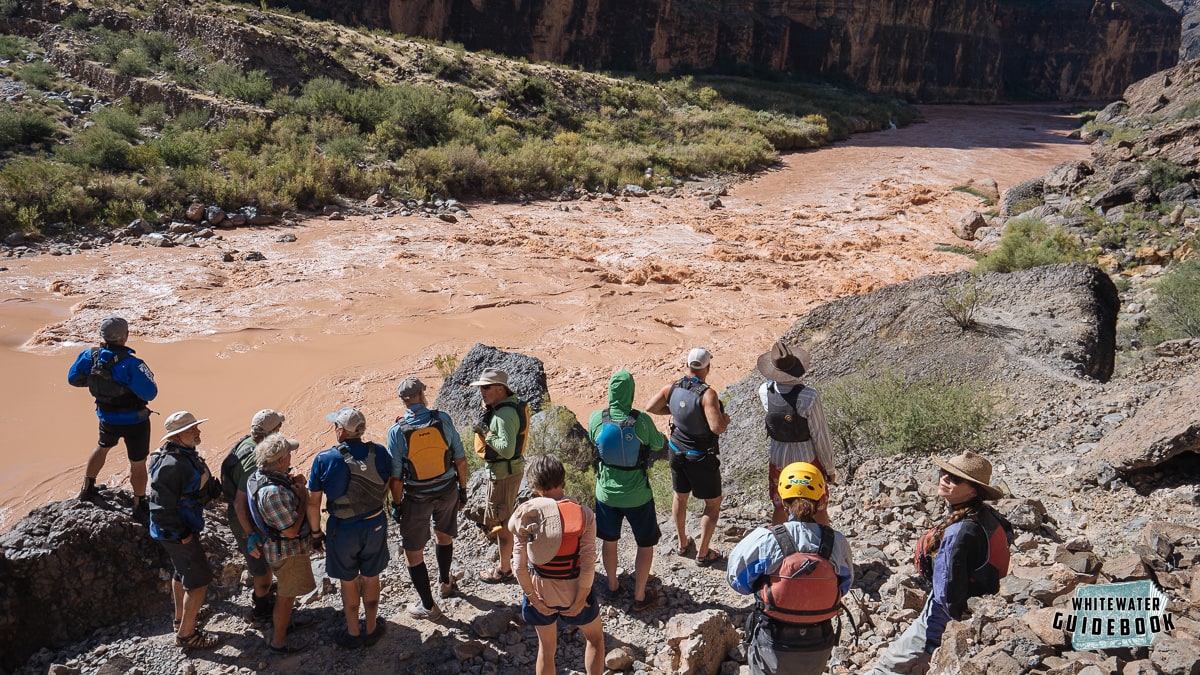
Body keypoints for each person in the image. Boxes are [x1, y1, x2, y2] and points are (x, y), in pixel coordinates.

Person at [867, 451, 1013, 675]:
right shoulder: (986, 516)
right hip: (978, 609)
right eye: (944, 473)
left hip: (944, 618)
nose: (944, 478)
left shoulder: (958, 533)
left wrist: (931, 648)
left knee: (885, 669)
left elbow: (947, 596)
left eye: (955, 478)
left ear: (973, 490)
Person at [727, 462, 854, 675]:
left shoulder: (766, 538)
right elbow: (845, 584)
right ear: (822, 500)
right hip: (819, 641)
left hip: (773, 639)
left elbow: (737, 581)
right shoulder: (836, 542)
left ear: (782, 502)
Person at [306, 407, 401, 649]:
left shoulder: (324, 459)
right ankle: (371, 628)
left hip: (343, 530)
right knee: (371, 577)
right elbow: (390, 483)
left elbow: (313, 502)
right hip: (375, 524)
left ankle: (353, 632)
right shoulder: (380, 452)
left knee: (348, 582)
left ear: (340, 431)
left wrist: (316, 534)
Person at [509, 454, 604, 675]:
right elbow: (588, 566)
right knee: (595, 639)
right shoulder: (584, 515)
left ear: (535, 485)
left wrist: (535, 600)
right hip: (574, 593)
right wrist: (580, 600)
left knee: (547, 648)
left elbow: (519, 567)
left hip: (540, 594)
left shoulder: (526, 515)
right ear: (563, 479)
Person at [387, 376, 468, 622]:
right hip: (447, 491)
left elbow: (396, 477)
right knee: (443, 535)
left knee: (413, 552)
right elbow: (460, 459)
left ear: (403, 402)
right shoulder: (442, 420)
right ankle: (445, 583)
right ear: (423, 394)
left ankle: (428, 606)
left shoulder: (396, 432)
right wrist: (462, 490)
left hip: (416, 497)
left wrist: (398, 504)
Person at [587, 370, 666, 611]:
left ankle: (612, 586)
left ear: (610, 391)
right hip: (638, 495)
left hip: (606, 494)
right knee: (645, 543)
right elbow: (659, 444)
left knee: (609, 541)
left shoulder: (595, 419)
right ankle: (640, 595)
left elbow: (594, 441)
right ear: (631, 392)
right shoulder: (641, 421)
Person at [645, 347, 730, 565]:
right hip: (700, 456)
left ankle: (683, 544)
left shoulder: (672, 387)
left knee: (680, 496)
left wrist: (674, 412)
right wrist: (725, 419)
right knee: (712, 505)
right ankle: (703, 554)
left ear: (688, 366)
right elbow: (717, 427)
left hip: (676, 451)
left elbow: (651, 407)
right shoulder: (708, 394)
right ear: (707, 367)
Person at [68, 315, 158, 518]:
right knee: (137, 462)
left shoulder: (88, 356)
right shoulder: (132, 364)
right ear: (126, 336)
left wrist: (94, 381)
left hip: (106, 416)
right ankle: (139, 502)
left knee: (102, 446)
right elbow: (150, 393)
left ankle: (87, 488)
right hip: (135, 420)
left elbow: (73, 379)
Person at [148, 411, 222, 651]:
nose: (198, 431)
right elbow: (160, 508)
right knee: (199, 581)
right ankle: (186, 635)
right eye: (192, 429)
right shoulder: (171, 465)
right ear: (178, 435)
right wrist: (182, 534)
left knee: (181, 573)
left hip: (178, 529)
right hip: (177, 533)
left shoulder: (182, 455)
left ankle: (181, 619)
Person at [247, 433, 317, 654]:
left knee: (288, 593)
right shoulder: (273, 493)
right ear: (279, 461)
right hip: (287, 552)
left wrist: (294, 483)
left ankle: (285, 626)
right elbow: (290, 530)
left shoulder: (261, 477)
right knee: (286, 597)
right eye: (288, 454)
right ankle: (279, 641)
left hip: (278, 550)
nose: (291, 457)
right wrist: (304, 497)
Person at [756, 340, 836, 526]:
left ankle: (779, 544)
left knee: (780, 506)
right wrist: (829, 468)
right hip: (807, 459)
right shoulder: (809, 396)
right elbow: (820, 435)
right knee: (819, 506)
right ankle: (824, 545)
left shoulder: (764, 392)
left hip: (778, 459)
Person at [220, 409, 286, 624]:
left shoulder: (244, 443)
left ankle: (264, 593)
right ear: (272, 431)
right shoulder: (254, 457)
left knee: (263, 566)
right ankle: (262, 609)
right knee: (262, 570)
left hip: (245, 517)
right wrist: (250, 534)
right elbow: (240, 501)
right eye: (279, 429)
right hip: (247, 521)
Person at [470, 367, 530, 583]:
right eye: (480, 388)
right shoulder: (506, 406)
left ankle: (505, 570)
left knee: (502, 524)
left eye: (486, 388)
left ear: (500, 389)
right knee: (506, 518)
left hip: (503, 475)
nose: (481, 392)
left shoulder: (503, 415)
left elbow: (505, 448)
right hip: (510, 471)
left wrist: (486, 432)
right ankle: (514, 561)